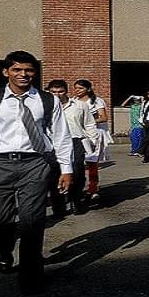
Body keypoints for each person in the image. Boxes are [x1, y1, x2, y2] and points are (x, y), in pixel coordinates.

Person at [0, 50, 73, 295]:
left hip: (35, 164)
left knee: (32, 221)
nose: (23, 74)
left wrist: (66, 169)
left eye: (28, 70)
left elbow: (61, 136)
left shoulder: (47, 100)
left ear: (35, 73)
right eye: (17, 69)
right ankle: (3, 251)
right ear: (5, 72)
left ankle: (31, 275)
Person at [47, 80, 97, 216]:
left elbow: (89, 123)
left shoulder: (79, 105)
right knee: (54, 174)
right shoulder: (45, 106)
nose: (57, 95)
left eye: (61, 91)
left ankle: (76, 200)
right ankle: (58, 206)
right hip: (53, 142)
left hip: (75, 140)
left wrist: (92, 140)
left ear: (66, 91)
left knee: (77, 171)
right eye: (53, 92)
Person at [73, 79, 113, 200]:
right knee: (77, 162)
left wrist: (89, 121)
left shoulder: (96, 101)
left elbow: (103, 117)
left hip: (94, 134)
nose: (77, 91)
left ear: (88, 89)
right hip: (79, 134)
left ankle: (93, 188)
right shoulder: (73, 101)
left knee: (92, 162)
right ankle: (76, 188)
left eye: (80, 88)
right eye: (76, 88)